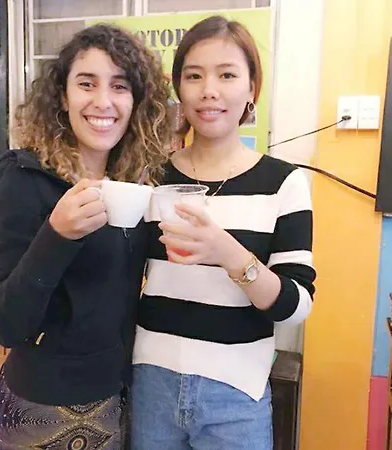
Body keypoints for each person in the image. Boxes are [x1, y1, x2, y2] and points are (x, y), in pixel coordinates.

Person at [132, 15, 316, 450]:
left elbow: (296, 306)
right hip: (150, 384)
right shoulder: (150, 176)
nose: (209, 90)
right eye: (194, 76)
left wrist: (228, 253)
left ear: (252, 89)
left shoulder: (284, 182)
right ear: (180, 88)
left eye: (227, 75)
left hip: (236, 394)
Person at [0, 23, 171, 450]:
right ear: (63, 96)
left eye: (119, 86)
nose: (103, 101)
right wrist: (57, 234)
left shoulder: (134, 183)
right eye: (87, 83)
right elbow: (3, 323)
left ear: (136, 101)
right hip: (43, 406)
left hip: (120, 396)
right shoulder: (23, 177)